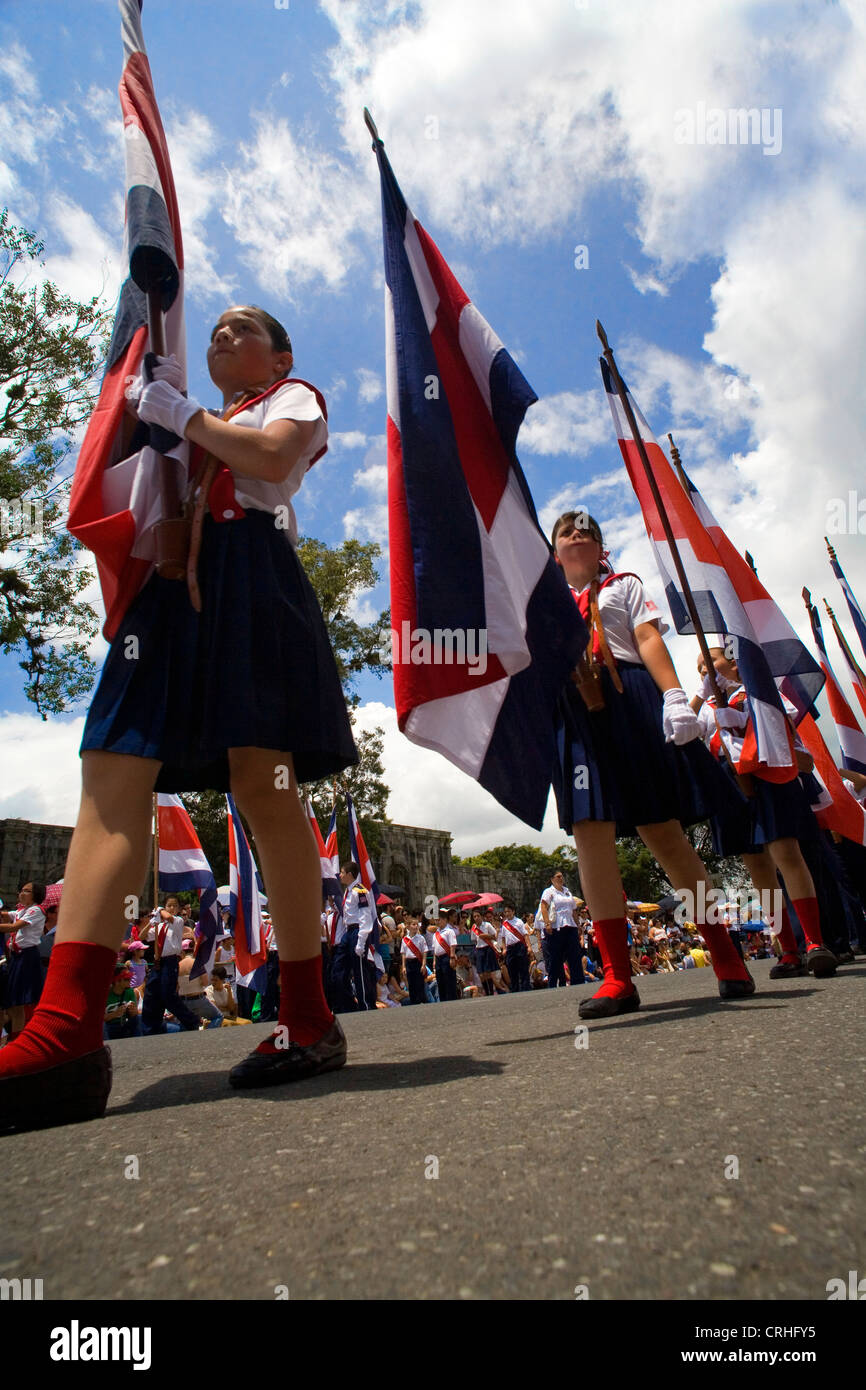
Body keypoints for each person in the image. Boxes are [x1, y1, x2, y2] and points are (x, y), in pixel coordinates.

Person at [0, 304, 357, 1129]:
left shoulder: (292, 396)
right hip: (187, 597)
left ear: (281, 354)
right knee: (113, 761)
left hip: (256, 585)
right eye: (216, 329)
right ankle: (68, 1030)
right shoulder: (198, 422)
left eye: (243, 329)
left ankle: (310, 1018)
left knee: (264, 788)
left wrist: (182, 416)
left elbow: (272, 456)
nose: (223, 336)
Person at [549, 509, 754, 1019]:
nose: (578, 534)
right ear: (554, 551)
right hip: (574, 717)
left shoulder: (624, 586)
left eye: (588, 530)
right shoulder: (544, 605)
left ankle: (725, 954)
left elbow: (646, 639)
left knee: (663, 835)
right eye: (567, 531)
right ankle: (618, 976)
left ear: (601, 548)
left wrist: (675, 696)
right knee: (589, 834)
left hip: (629, 702)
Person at [693, 648, 838, 979]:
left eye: (710, 661)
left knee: (786, 853)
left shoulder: (762, 694)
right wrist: (701, 699)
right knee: (757, 866)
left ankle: (815, 943)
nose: (705, 669)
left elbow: (794, 745)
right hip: (730, 783)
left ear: (733, 663)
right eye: (699, 667)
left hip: (766, 774)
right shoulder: (707, 710)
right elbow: (680, 732)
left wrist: (747, 723)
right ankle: (788, 949)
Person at [539, 872, 584, 988]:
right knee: (556, 957)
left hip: (570, 925)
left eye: (562, 876)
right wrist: (547, 923)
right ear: (552, 879)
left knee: (574, 954)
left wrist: (578, 924)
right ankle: (553, 983)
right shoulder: (549, 892)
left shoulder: (567, 891)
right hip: (557, 926)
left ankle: (578, 981)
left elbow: (573, 909)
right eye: (558, 876)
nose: (561, 878)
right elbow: (543, 907)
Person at [498, 900, 531, 992]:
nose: (507, 913)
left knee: (523, 968)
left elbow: (525, 935)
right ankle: (515, 989)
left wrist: (529, 947)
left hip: (519, 946)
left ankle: (526, 987)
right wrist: (504, 948)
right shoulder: (504, 924)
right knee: (512, 969)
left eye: (509, 911)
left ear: (513, 911)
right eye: (506, 912)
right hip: (510, 948)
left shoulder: (519, 922)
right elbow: (503, 938)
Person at [104, 963, 141, 1040]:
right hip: (109, 1027)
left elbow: (134, 1015)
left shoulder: (130, 992)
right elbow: (98, 1019)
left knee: (138, 1018)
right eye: (127, 979)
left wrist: (133, 1011)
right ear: (117, 981)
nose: (130, 980)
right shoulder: (104, 995)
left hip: (124, 1025)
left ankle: (138, 1043)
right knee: (102, 1025)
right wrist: (115, 1014)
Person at [432, 910, 459, 1003]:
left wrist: (452, 957)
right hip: (438, 959)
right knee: (440, 981)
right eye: (436, 920)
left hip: (446, 957)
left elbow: (453, 945)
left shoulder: (449, 931)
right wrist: (434, 961)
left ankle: (451, 1000)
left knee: (449, 980)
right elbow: (434, 949)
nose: (437, 922)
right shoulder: (436, 933)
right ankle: (443, 1000)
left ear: (444, 920)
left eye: (438, 920)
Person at [400, 918, 429, 1005]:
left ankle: (421, 1000)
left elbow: (424, 952)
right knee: (411, 983)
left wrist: (423, 965)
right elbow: (403, 954)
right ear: (408, 927)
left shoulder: (421, 938)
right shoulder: (405, 939)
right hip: (409, 963)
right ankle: (414, 1001)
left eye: (417, 924)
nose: (416, 926)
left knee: (419, 982)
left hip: (417, 962)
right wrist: (404, 966)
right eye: (413, 924)